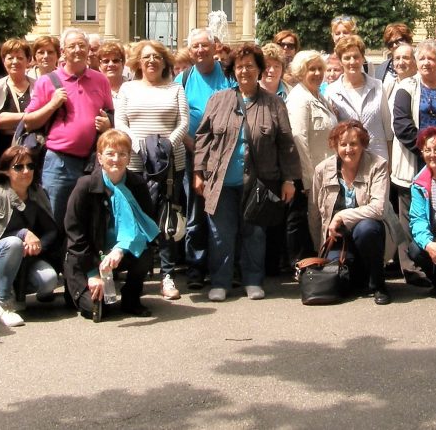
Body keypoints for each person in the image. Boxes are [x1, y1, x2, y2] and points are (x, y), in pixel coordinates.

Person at [193, 43, 299, 302]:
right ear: (233, 70)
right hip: (221, 182)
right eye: (240, 67)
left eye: (250, 66)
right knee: (220, 234)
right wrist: (198, 172)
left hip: (259, 182)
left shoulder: (274, 103)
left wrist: (288, 179)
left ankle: (253, 280)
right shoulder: (218, 100)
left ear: (259, 69)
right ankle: (220, 282)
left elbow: (286, 143)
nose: (244, 71)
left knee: (255, 233)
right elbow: (203, 138)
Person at [114, 39, 188, 301]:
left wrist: (165, 147)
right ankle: (139, 273)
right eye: (146, 57)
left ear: (165, 62)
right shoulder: (128, 88)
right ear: (138, 62)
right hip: (135, 163)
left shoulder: (176, 88)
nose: (151, 61)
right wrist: (140, 147)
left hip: (170, 166)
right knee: (137, 217)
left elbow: (183, 122)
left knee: (166, 220)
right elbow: (120, 121)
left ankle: (167, 276)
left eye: (156, 57)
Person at [24, 28, 115, 229]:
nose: (77, 50)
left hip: (91, 163)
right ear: (63, 51)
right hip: (58, 163)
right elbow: (29, 122)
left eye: (81, 45)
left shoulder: (100, 80)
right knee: (55, 219)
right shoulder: (47, 81)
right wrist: (52, 105)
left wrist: (108, 124)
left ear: (88, 49)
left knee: (87, 220)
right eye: (72, 46)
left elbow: (110, 114)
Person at [63, 130, 159, 319]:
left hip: (117, 252)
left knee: (145, 253)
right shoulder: (84, 186)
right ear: (99, 157)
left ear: (129, 158)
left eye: (122, 154)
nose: (116, 159)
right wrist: (92, 273)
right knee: (97, 310)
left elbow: (145, 228)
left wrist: (121, 249)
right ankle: (74, 289)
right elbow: (74, 233)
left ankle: (131, 299)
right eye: (110, 153)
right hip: (86, 256)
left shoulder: (137, 184)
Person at [392, 39, 436, 286]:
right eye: (421, 58)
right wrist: (428, 153)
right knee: (411, 215)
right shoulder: (406, 88)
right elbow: (401, 125)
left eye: (431, 58)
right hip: (413, 158)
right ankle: (412, 268)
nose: (426, 63)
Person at [0, 145, 59, 328]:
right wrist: (23, 234)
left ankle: (18, 291)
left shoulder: (38, 193)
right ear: (6, 171)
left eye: (30, 166)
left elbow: (51, 230)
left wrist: (38, 246)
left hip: (28, 260)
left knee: (49, 280)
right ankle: (4, 304)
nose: (26, 171)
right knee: (13, 243)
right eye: (18, 167)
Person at [308, 121, 392, 305]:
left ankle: (378, 285)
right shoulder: (322, 170)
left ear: (363, 144)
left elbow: (379, 209)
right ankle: (359, 277)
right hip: (337, 237)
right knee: (340, 283)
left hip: (367, 233)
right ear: (335, 146)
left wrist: (341, 216)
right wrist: (319, 248)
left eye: (353, 144)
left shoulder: (378, 165)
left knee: (367, 228)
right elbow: (314, 213)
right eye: (343, 144)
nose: (348, 149)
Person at [175, 28, 233, 290]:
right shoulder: (184, 78)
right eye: (195, 46)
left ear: (214, 47)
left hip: (225, 155)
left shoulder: (228, 74)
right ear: (190, 50)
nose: (200, 50)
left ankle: (225, 267)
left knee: (224, 214)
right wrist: (194, 146)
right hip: (193, 154)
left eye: (204, 45)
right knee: (196, 214)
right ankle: (195, 269)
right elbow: (176, 117)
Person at [286, 50, 338, 263]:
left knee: (317, 222)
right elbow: (299, 139)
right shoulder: (299, 99)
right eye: (311, 69)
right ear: (301, 72)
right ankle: (302, 266)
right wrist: (308, 179)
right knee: (303, 222)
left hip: (324, 172)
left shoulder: (318, 96)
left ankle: (317, 264)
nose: (317, 73)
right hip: (308, 175)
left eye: (319, 69)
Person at [326, 34, 393, 166]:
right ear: (340, 61)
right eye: (347, 58)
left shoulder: (378, 86)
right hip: (348, 161)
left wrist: (390, 163)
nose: (352, 62)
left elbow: (388, 130)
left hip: (378, 159)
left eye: (356, 57)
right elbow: (332, 132)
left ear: (363, 58)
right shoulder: (331, 91)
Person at [406, 127, 436, 298]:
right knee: (415, 249)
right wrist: (429, 245)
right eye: (427, 150)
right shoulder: (419, 183)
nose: (432, 154)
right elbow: (417, 220)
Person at [0, 38, 34, 178]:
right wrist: (30, 117)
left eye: (20, 58)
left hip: (30, 153)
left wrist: (10, 120)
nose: (15, 62)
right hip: (0, 154)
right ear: (3, 60)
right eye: (10, 58)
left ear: (28, 60)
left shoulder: (39, 86)